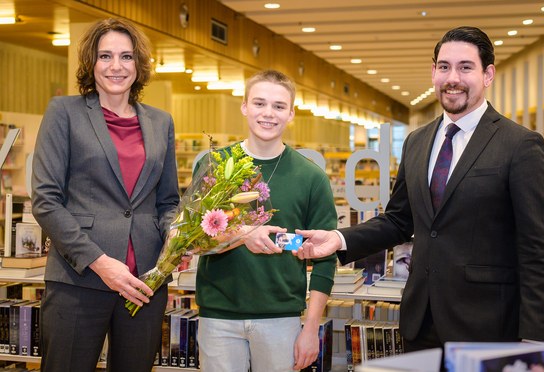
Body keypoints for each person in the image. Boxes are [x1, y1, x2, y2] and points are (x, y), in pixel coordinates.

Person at [294, 26, 544, 353]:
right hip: (420, 322)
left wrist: (535, 341)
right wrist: (338, 238)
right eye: (444, 67)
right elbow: (398, 221)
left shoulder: (519, 145)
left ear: (488, 74)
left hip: (488, 326)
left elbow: (540, 250)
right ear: (433, 72)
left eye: (466, 67)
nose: (453, 77)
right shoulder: (417, 142)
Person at [31, 18, 180, 372]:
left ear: (139, 65)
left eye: (127, 56)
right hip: (79, 278)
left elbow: (168, 201)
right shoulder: (63, 113)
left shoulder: (161, 122)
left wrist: (176, 233)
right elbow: (45, 199)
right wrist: (99, 261)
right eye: (105, 56)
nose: (116, 66)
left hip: (145, 281)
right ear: (90, 63)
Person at [194, 69, 338, 372]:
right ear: (245, 107)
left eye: (278, 106)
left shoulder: (311, 177)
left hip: (281, 318)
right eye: (259, 103)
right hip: (219, 316)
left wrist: (311, 329)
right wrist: (241, 234)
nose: (268, 113)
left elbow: (326, 257)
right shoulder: (216, 165)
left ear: (291, 114)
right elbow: (194, 239)